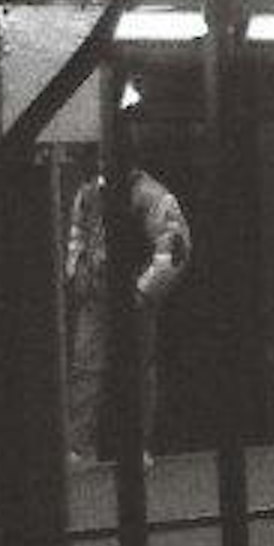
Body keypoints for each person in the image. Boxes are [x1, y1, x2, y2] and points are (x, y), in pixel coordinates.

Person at [63, 152, 190, 465]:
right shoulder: (90, 193)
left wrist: (140, 293)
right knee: (86, 369)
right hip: (97, 296)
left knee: (134, 370)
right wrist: (78, 274)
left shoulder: (153, 198)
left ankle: (134, 447)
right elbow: (76, 237)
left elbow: (173, 251)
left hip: (132, 301)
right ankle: (79, 448)